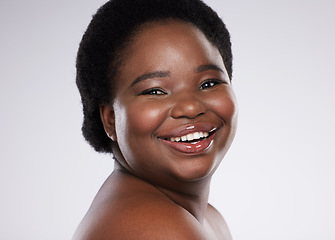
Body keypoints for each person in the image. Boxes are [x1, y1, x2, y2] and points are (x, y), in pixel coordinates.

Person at [73, 0, 238, 239]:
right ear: (109, 119)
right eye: (154, 91)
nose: (190, 107)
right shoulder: (157, 228)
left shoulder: (207, 219)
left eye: (209, 83)